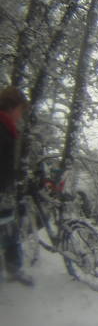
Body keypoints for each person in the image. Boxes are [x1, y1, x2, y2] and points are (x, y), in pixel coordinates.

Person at [0, 86, 33, 286]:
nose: (21, 115)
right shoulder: (2, 127)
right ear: (12, 107)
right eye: (21, 109)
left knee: (9, 229)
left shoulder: (7, 127)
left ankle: (14, 271)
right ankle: (13, 272)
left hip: (4, 189)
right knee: (7, 230)